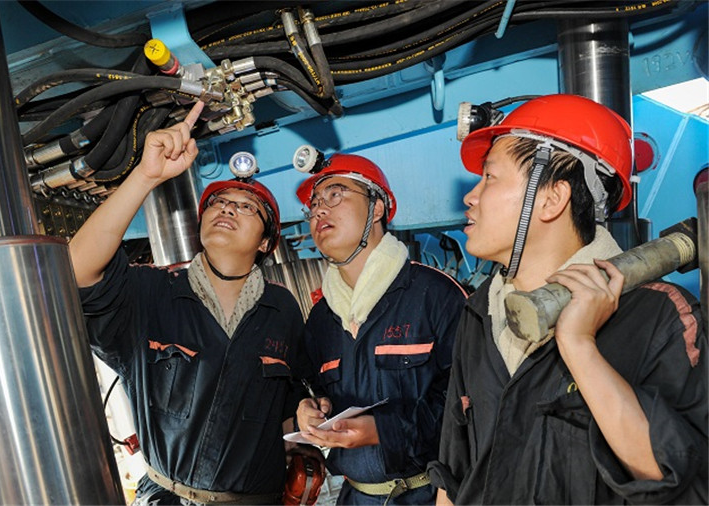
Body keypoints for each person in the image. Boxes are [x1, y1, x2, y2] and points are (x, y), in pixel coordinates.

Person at [429, 94, 708, 504]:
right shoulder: (479, 311)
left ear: (551, 200)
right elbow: (454, 475)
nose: (471, 196)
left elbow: (680, 480)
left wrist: (579, 346)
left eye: (490, 177)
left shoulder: (660, 315)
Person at [70, 100, 309, 505]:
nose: (227, 207)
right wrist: (144, 176)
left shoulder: (281, 310)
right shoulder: (152, 293)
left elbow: (288, 400)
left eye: (247, 207)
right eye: (217, 202)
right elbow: (77, 271)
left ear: (266, 242)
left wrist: (305, 420)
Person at [293, 152, 468, 505]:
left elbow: (468, 402)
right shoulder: (321, 319)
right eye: (314, 204)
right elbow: (311, 389)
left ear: (376, 209)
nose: (319, 210)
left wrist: (383, 430)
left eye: (335, 194)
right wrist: (308, 409)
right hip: (356, 496)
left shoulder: (434, 294)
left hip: (431, 494)